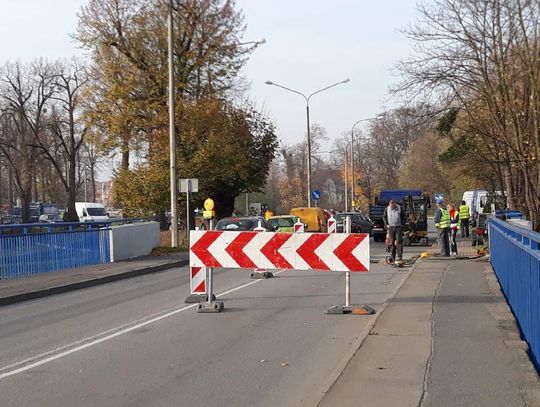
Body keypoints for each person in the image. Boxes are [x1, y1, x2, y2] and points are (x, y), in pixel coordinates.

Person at [383, 199, 406, 264]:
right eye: (391, 206)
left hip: (398, 226)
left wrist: (403, 224)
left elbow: (404, 216)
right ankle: (392, 256)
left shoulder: (400, 208)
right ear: (389, 205)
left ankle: (399, 256)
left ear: (395, 204)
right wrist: (386, 224)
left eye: (393, 206)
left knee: (398, 241)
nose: (392, 207)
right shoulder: (387, 209)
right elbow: (384, 217)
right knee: (391, 242)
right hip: (390, 227)